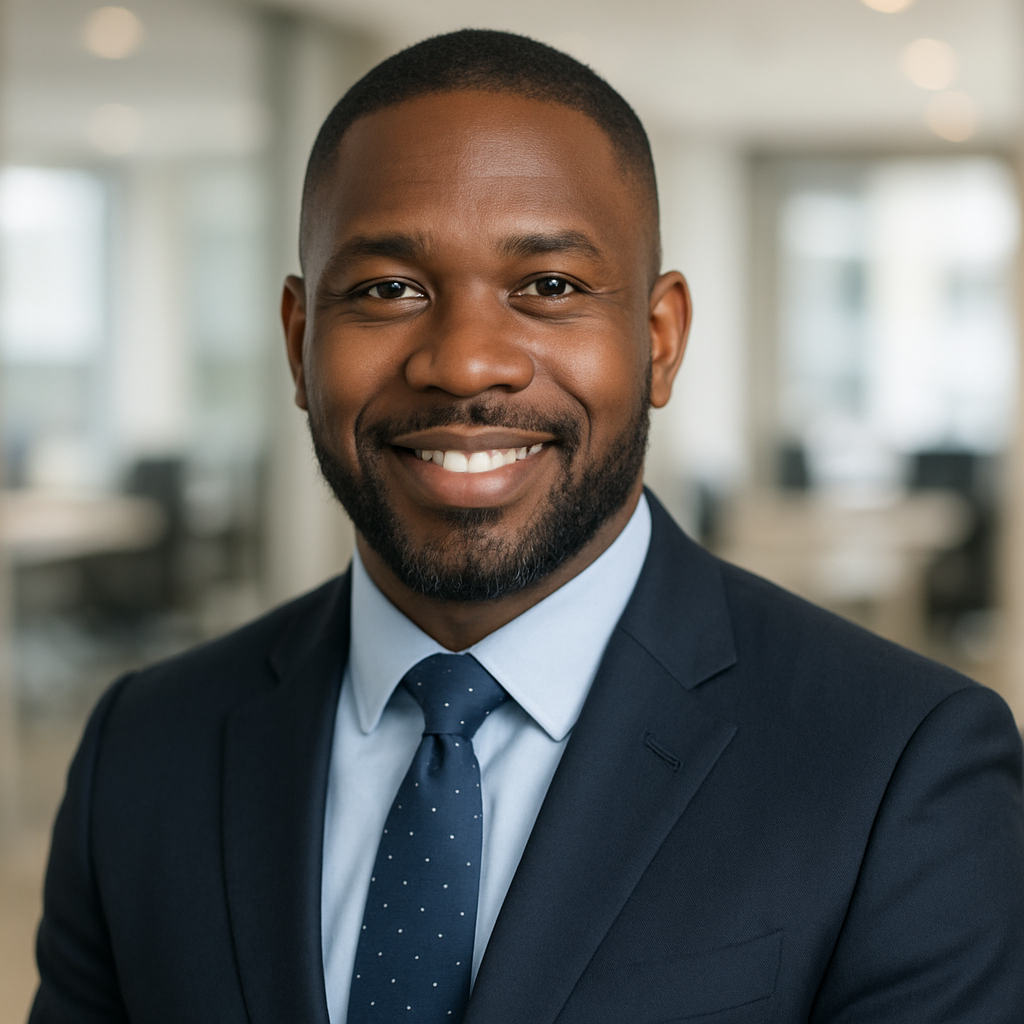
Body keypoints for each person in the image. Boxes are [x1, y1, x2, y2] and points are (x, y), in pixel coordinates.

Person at [30, 29, 1024, 1024]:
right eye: (388, 290)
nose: (465, 364)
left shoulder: (901, 764)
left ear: (659, 339)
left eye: (548, 287)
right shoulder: (145, 748)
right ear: (299, 344)